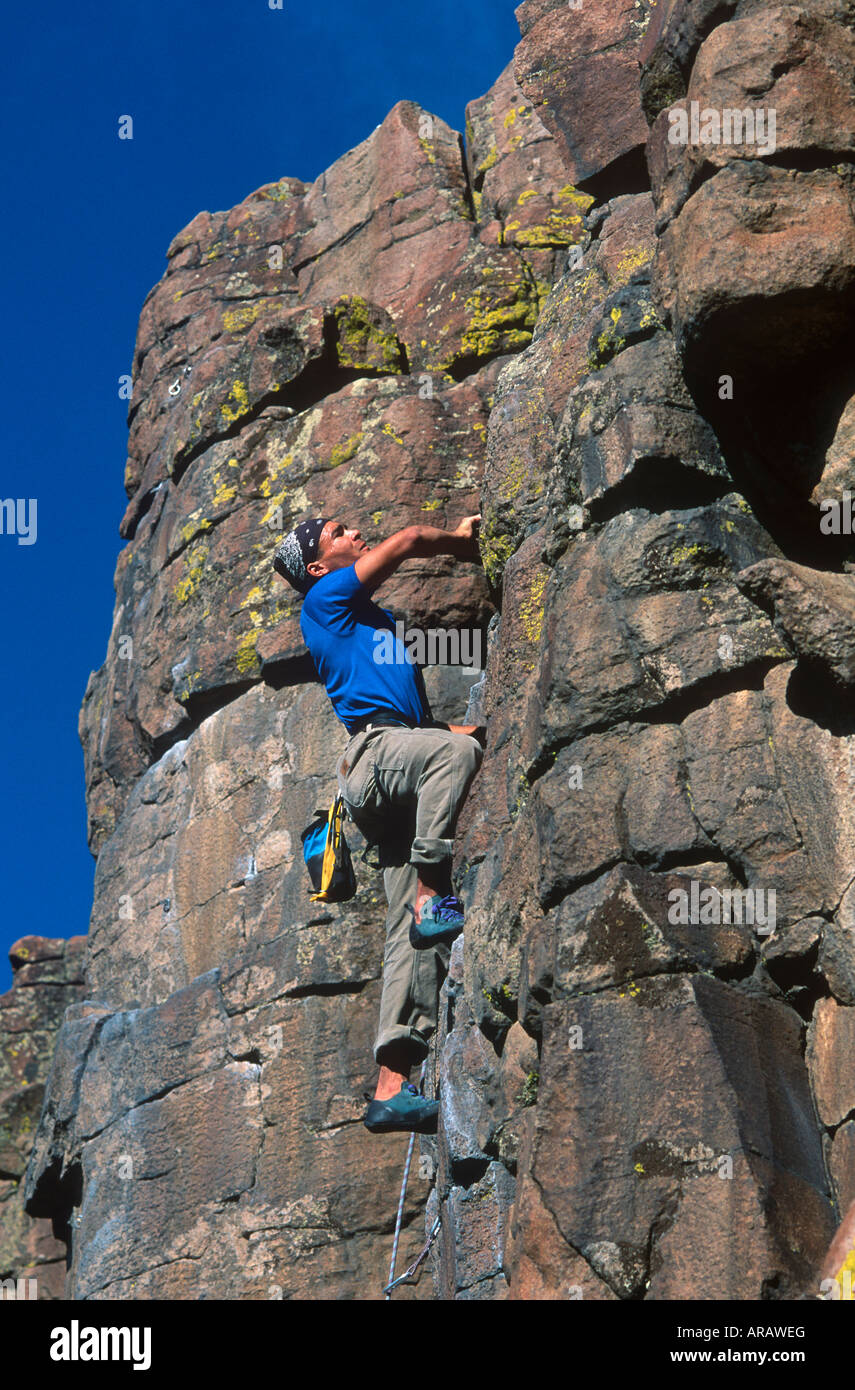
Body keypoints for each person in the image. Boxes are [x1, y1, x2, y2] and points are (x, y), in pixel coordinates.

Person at [273, 515, 485, 1134]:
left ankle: (391, 1087)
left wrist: (474, 729)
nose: (355, 530)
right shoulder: (325, 597)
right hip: (374, 761)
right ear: (318, 564)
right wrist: (462, 536)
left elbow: (417, 725)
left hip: (392, 766)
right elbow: (412, 541)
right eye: (339, 531)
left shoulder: (381, 629)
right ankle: (430, 890)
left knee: (408, 941)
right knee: (455, 757)